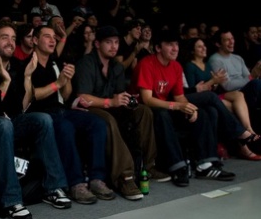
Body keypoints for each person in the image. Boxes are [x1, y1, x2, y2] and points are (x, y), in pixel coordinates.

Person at [0, 20, 71, 219]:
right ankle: (12, 200)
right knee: (4, 124)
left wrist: (27, 78)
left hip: (9, 121)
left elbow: (21, 108)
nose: (10, 42)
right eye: (4, 37)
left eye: (13, 38)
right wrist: (5, 81)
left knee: (43, 119)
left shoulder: (17, 65)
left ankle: (53, 187)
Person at [73, 25, 170, 201]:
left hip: (111, 106)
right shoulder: (86, 63)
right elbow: (82, 97)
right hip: (88, 109)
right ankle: (125, 177)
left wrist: (127, 100)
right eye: (108, 42)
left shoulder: (116, 66)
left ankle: (148, 167)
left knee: (143, 111)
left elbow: (118, 95)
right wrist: (111, 102)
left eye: (116, 42)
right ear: (97, 44)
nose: (113, 46)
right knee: (108, 120)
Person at [130, 29, 236, 187]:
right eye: (169, 45)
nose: (175, 48)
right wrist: (178, 105)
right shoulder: (147, 63)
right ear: (158, 48)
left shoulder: (176, 66)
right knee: (162, 114)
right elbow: (147, 99)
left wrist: (188, 108)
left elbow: (179, 96)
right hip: (145, 110)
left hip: (166, 105)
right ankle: (178, 167)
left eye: (176, 45)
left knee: (203, 113)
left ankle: (205, 165)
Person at [27, 25, 114, 204]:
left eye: (54, 37)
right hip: (40, 115)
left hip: (61, 109)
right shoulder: (27, 64)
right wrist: (58, 83)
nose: (53, 40)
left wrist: (66, 80)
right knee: (65, 127)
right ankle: (76, 183)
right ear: (35, 40)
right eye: (47, 36)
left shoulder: (54, 62)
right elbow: (31, 96)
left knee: (97, 123)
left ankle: (96, 178)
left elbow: (65, 95)